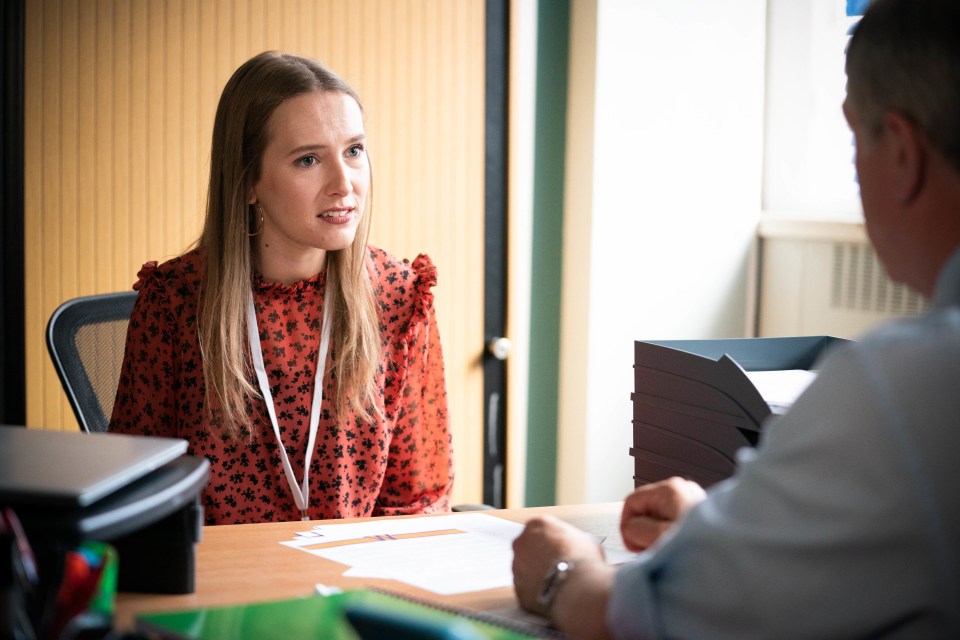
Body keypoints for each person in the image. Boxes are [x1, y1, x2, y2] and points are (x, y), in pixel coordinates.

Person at [512, 0, 960, 637]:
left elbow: (639, 620)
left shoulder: (909, 384)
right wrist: (728, 529)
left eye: (855, 138)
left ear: (904, 156)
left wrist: (564, 571)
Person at [110, 51, 454, 525]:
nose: (344, 184)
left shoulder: (398, 297)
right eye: (309, 159)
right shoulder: (175, 302)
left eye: (354, 151)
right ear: (248, 179)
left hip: (355, 582)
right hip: (222, 585)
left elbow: (418, 501)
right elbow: (135, 498)